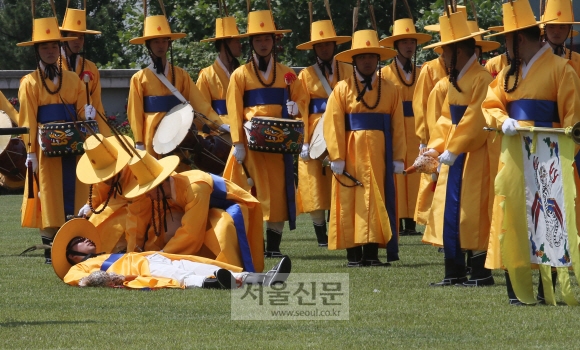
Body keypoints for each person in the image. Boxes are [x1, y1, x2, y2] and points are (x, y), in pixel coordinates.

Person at [482, 0, 580, 304]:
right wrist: (504, 121)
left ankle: (545, 289)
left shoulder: (561, 69)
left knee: (547, 219)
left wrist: (563, 153)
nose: (504, 47)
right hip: (514, 154)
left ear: (519, 39)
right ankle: (515, 289)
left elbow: (573, 120)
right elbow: (489, 104)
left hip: (547, 156)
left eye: (507, 40)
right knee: (514, 215)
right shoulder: (508, 72)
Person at [222, 9, 308, 258]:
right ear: (251, 43)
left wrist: (295, 110)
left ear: (274, 42)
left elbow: (301, 102)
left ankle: (273, 247)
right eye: (258, 40)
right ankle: (250, 244)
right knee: (248, 193)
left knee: (279, 194)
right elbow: (234, 109)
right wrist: (237, 142)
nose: (262, 44)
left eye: (267, 39)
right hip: (250, 145)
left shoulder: (287, 73)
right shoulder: (240, 75)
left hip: (279, 146)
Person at [422, 9, 496, 287]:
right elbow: (444, 119)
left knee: (472, 211)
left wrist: (454, 148)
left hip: (474, 153)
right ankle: (453, 271)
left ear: (458, 52)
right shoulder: (455, 80)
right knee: (448, 208)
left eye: (444, 52)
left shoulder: (482, 79)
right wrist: (435, 147)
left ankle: (480, 272)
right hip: (453, 153)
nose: (440, 58)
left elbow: (477, 117)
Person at [324, 26, 406, 266]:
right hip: (350, 152)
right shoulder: (342, 88)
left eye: (372, 56)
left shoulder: (390, 89)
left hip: (381, 152)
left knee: (377, 198)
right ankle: (353, 253)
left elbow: (398, 126)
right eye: (362, 56)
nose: (367, 61)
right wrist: (336, 157)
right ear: (354, 60)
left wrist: (398, 158)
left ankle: (371, 253)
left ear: (378, 59)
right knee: (351, 199)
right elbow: (333, 123)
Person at [16, 14, 93, 264]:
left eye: (53, 46)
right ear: (37, 50)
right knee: (48, 196)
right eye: (44, 46)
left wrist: (88, 120)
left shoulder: (74, 80)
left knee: (77, 194)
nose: (50, 51)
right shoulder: (29, 83)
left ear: (60, 47)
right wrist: (30, 153)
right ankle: (51, 250)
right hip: (44, 151)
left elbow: (82, 112)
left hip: (74, 148)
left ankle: (76, 245)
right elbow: (27, 120)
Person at [122, 150, 265, 273]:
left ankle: (234, 271)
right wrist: (143, 253)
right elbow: (157, 225)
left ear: (160, 184)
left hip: (232, 207)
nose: (146, 195)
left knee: (222, 229)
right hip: (206, 210)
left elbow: (192, 232)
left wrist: (163, 255)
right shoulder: (165, 193)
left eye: (148, 189)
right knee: (170, 223)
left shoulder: (195, 187)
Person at [51, 219, 290, 289]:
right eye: (79, 241)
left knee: (200, 267)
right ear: (73, 255)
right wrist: (113, 278)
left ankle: (265, 279)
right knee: (178, 276)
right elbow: (82, 283)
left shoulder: (105, 254)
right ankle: (212, 285)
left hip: (152, 258)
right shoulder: (76, 269)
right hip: (142, 269)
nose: (86, 239)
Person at [127, 12, 226, 159]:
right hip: (152, 136)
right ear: (148, 45)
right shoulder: (139, 78)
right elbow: (135, 113)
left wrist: (218, 124)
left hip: (178, 134)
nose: (161, 46)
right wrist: (139, 142)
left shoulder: (181, 75)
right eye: (156, 42)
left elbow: (199, 104)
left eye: (164, 41)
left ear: (169, 43)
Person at [295, 13, 352, 247]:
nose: (325, 48)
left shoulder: (348, 70)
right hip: (314, 132)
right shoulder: (305, 75)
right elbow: (301, 109)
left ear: (334, 45)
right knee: (314, 186)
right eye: (320, 45)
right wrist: (304, 142)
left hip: (342, 130)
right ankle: (321, 236)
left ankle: (341, 231)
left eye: (328, 43)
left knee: (341, 180)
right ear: (314, 48)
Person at [379, 17, 432, 236]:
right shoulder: (385, 73)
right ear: (396, 46)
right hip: (397, 126)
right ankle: (398, 219)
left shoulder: (422, 71)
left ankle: (411, 221)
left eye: (412, 42)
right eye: (404, 42)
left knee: (415, 171)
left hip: (417, 126)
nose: (409, 46)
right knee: (398, 171)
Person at [75, 133, 151, 254]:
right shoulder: (109, 174)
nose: (105, 180)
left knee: (116, 226)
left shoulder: (136, 169)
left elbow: (138, 218)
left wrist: (132, 253)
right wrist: (90, 204)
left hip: (147, 206)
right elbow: (100, 188)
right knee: (98, 217)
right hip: (123, 203)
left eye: (107, 175)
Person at [59, 5, 108, 136]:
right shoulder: (55, 66)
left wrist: (104, 134)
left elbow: (97, 101)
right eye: (73, 36)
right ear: (64, 38)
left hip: (87, 126)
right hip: (61, 128)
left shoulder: (91, 67)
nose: (78, 41)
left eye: (81, 37)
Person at [197, 15, 248, 124]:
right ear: (224, 45)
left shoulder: (243, 72)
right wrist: (220, 125)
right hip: (219, 132)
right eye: (237, 41)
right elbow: (202, 110)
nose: (240, 45)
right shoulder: (206, 75)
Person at [541, 0, 580, 76]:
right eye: (552, 26)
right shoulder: (535, 58)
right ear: (545, 29)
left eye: (562, 27)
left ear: (569, 30)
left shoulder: (578, 60)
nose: (556, 31)